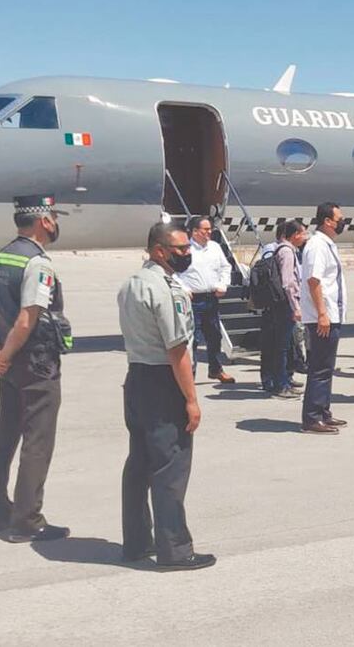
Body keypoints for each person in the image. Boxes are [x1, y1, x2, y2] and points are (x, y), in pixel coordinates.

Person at [116, 222, 215, 571]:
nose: (187, 254)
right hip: (163, 380)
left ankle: (137, 542)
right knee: (170, 467)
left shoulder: (131, 285)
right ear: (160, 250)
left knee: (139, 464)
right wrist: (191, 399)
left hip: (137, 377)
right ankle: (175, 548)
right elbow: (177, 350)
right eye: (181, 249)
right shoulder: (166, 289)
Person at [0, 195, 72, 543]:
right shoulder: (37, 263)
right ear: (44, 221)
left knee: (4, 436)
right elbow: (27, 317)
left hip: (10, 364)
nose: (56, 224)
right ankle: (27, 520)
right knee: (37, 440)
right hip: (36, 363)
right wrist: (6, 354)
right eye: (53, 218)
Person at [299, 202, 349, 434]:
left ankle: (323, 412)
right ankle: (312, 418)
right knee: (319, 368)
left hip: (331, 314)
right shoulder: (317, 245)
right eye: (340, 218)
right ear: (328, 221)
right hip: (323, 316)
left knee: (327, 367)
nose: (343, 222)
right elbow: (314, 281)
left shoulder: (327, 245)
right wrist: (321, 314)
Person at [176, 216, 235, 384]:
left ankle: (216, 370)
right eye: (205, 230)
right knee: (192, 338)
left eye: (210, 229)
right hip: (193, 299)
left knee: (214, 336)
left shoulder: (215, 247)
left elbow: (226, 267)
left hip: (212, 298)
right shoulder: (185, 248)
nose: (209, 232)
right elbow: (174, 272)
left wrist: (223, 284)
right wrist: (183, 288)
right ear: (194, 231)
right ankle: (190, 374)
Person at [266, 220, 307, 399]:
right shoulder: (287, 252)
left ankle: (283, 380)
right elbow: (288, 282)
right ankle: (280, 385)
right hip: (285, 305)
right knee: (282, 346)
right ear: (295, 234)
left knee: (284, 345)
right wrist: (296, 307)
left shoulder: (283, 249)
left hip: (281, 304)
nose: (305, 237)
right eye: (303, 233)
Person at [258, 224, 289, 393]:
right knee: (271, 343)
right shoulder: (272, 250)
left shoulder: (290, 250)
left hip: (284, 303)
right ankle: (269, 379)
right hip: (274, 303)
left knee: (285, 344)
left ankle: (285, 377)